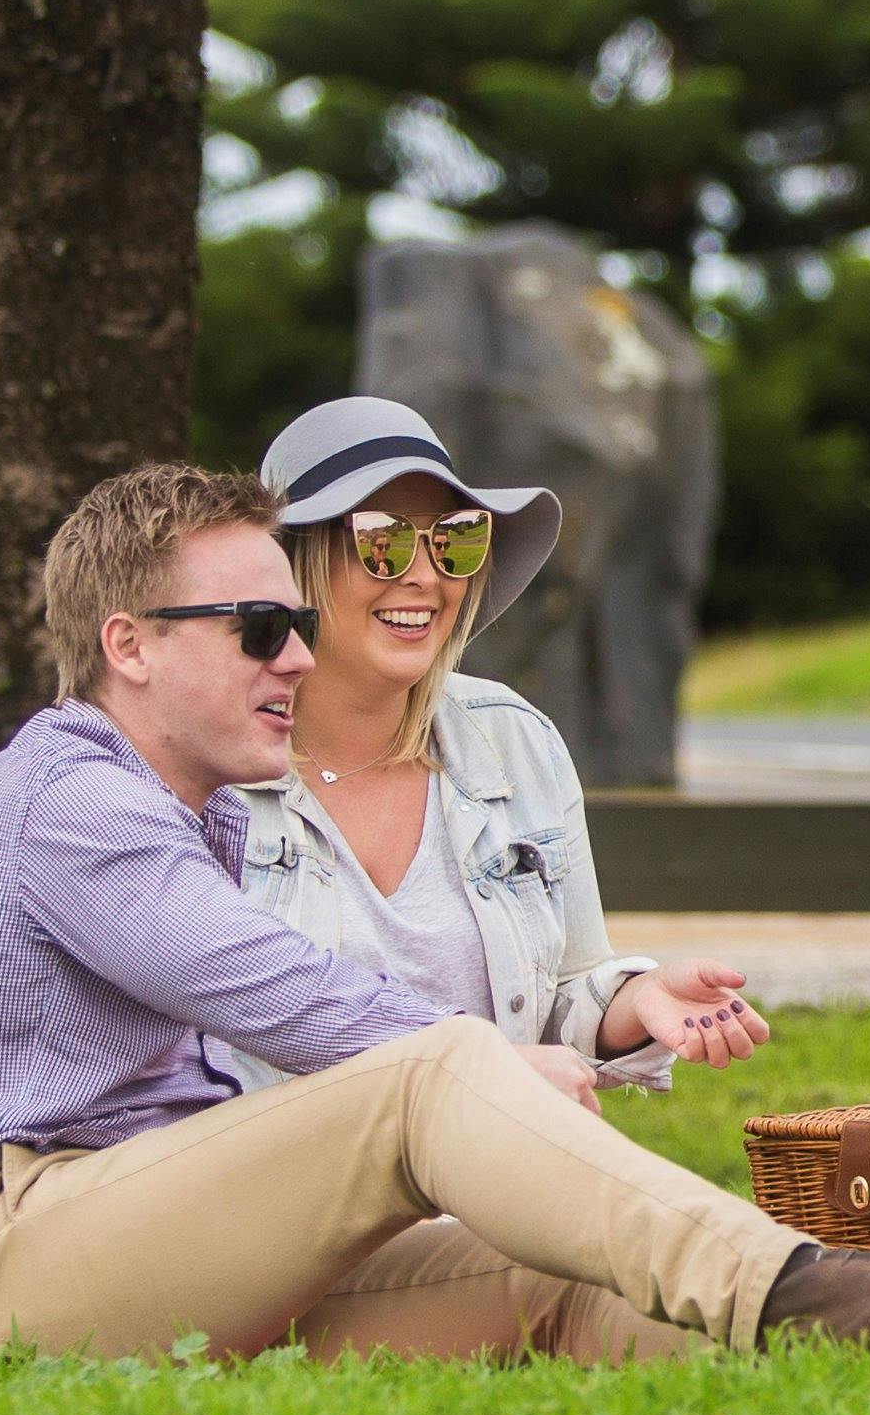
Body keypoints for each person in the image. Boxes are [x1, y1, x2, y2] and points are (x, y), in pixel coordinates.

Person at [0, 460, 870, 1364]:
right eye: (257, 626)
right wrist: (486, 1065)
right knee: (425, 1071)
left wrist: (562, 1041)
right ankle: (818, 1287)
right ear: (126, 648)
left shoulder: (213, 802)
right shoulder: (75, 800)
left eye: (291, 622)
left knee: (562, 1260)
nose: (295, 653)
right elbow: (284, 998)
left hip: (133, 1237)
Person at [217, 395, 765, 1099]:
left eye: (455, 538)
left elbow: (563, 993)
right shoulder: (211, 769)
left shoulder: (513, 739)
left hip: (490, 1178)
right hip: (289, 1191)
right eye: (381, 540)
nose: (426, 573)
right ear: (291, 570)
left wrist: (640, 1003)